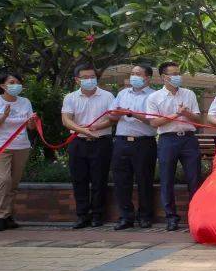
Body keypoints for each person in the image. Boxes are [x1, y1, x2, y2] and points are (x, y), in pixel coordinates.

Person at [145, 61, 202, 231]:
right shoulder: (154, 98)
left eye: (179, 73)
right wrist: (176, 114)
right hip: (167, 140)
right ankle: (171, 217)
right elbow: (154, 122)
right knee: (167, 179)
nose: (178, 77)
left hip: (189, 139)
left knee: (194, 179)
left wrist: (186, 113)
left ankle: (195, 217)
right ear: (163, 77)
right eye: (173, 74)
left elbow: (198, 120)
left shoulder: (189, 94)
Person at [62, 63, 116, 229]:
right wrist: (83, 130)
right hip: (78, 143)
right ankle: (82, 215)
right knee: (79, 180)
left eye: (92, 77)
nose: (90, 80)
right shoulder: (70, 97)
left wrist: (96, 128)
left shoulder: (107, 96)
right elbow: (66, 120)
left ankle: (97, 216)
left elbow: (113, 118)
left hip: (101, 142)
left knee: (99, 180)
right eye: (85, 77)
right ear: (77, 79)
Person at [0, 71, 37, 231]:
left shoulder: (25, 102)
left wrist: (32, 122)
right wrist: (3, 117)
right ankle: (0, 217)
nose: (16, 85)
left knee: (13, 183)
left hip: (21, 146)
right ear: (2, 86)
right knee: (3, 180)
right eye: (12, 82)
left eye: (18, 82)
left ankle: (9, 216)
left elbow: (30, 127)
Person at [108, 64, 158, 230]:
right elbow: (112, 114)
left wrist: (130, 113)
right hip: (122, 142)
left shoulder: (154, 96)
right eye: (132, 73)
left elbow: (153, 120)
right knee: (121, 181)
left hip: (143, 142)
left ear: (147, 78)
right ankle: (125, 217)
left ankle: (145, 216)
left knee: (144, 180)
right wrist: (116, 113)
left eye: (138, 74)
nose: (133, 76)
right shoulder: (122, 93)